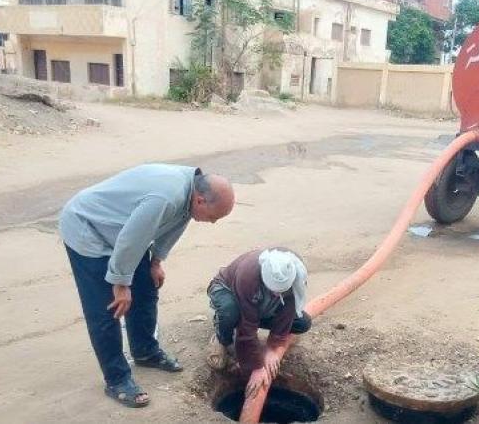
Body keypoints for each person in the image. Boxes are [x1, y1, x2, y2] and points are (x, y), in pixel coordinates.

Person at [60, 164, 235, 408]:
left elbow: (176, 223)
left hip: (122, 230)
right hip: (89, 227)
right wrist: (120, 283)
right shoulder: (165, 197)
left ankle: (145, 351)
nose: (213, 222)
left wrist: (156, 261)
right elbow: (132, 238)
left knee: (146, 286)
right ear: (200, 200)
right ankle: (117, 379)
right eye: (214, 216)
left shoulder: (188, 192)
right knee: (108, 307)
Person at [207, 248, 312, 398]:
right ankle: (221, 339)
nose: (278, 294)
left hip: (263, 302)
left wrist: (273, 347)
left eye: (281, 291)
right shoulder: (248, 275)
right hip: (228, 291)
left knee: (302, 323)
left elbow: (288, 310)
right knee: (229, 312)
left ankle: (256, 341)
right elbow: (247, 325)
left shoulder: (296, 273)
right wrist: (256, 367)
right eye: (275, 289)